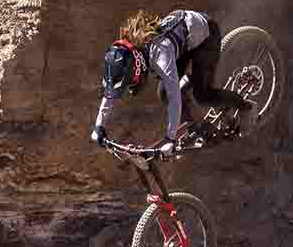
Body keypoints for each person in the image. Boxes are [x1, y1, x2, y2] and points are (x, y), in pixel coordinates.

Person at [90, 9, 251, 151]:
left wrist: (170, 138)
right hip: (185, 40)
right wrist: (99, 126)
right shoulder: (123, 53)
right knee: (163, 93)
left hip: (206, 36)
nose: (129, 88)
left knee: (202, 95)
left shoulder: (160, 55)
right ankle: (192, 127)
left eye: (129, 83)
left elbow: (175, 98)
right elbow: (111, 89)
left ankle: (246, 107)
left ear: (137, 68)